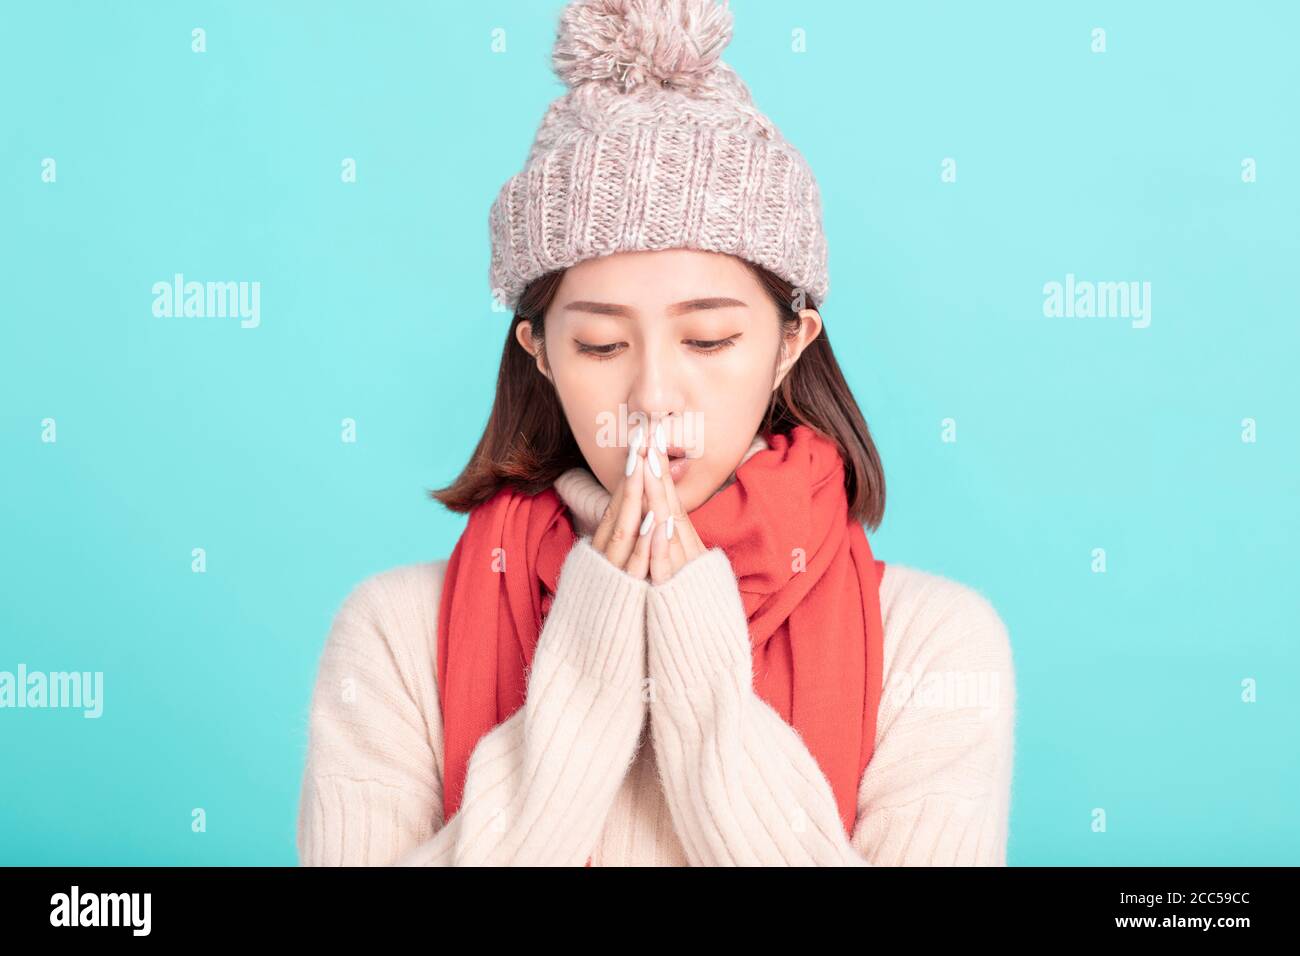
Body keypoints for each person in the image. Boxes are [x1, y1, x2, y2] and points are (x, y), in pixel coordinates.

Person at [297, 0, 1016, 866]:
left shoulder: (934, 641)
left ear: (792, 344)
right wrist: (589, 677)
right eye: (601, 343)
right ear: (540, 353)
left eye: (709, 339)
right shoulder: (395, 631)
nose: (653, 394)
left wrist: (699, 672)